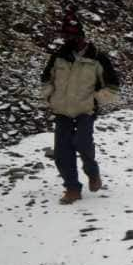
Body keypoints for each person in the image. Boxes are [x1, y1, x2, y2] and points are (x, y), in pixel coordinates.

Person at [41, 30, 120, 205]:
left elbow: (113, 85)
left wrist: (95, 100)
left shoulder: (98, 58)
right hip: (62, 111)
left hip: (85, 111)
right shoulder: (58, 57)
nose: (75, 40)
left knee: (83, 143)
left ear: (85, 37)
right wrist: (49, 97)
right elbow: (46, 79)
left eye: (78, 36)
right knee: (62, 152)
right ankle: (72, 189)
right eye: (71, 36)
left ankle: (92, 172)